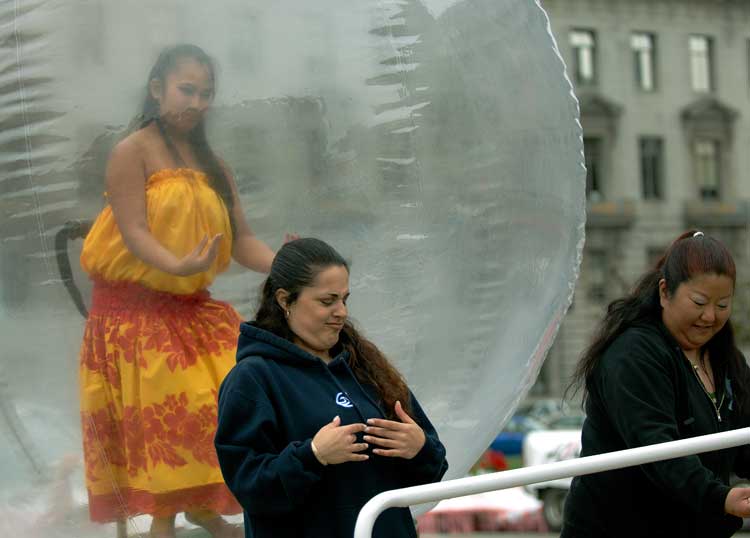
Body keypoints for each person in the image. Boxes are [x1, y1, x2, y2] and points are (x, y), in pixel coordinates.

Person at [78, 44, 283, 538]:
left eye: (206, 93)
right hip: (133, 315)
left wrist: (292, 264)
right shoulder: (132, 151)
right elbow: (135, 234)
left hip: (190, 311)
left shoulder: (215, 165)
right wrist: (179, 264)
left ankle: (205, 510)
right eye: (186, 90)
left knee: (240, 396)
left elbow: (243, 242)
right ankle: (173, 523)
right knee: (179, 416)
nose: (196, 102)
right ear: (157, 90)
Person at [214, 237, 449, 538]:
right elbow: (251, 489)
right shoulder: (251, 379)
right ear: (285, 300)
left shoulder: (365, 366)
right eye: (328, 301)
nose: (341, 311)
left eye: (344, 299)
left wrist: (419, 449)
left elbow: (432, 469)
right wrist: (313, 455)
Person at [562, 230, 750, 537]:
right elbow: (658, 449)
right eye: (699, 302)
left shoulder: (726, 358)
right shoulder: (632, 355)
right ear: (665, 292)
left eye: (722, 305)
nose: (710, 317)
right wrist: (720, 497)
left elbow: (742, 439)